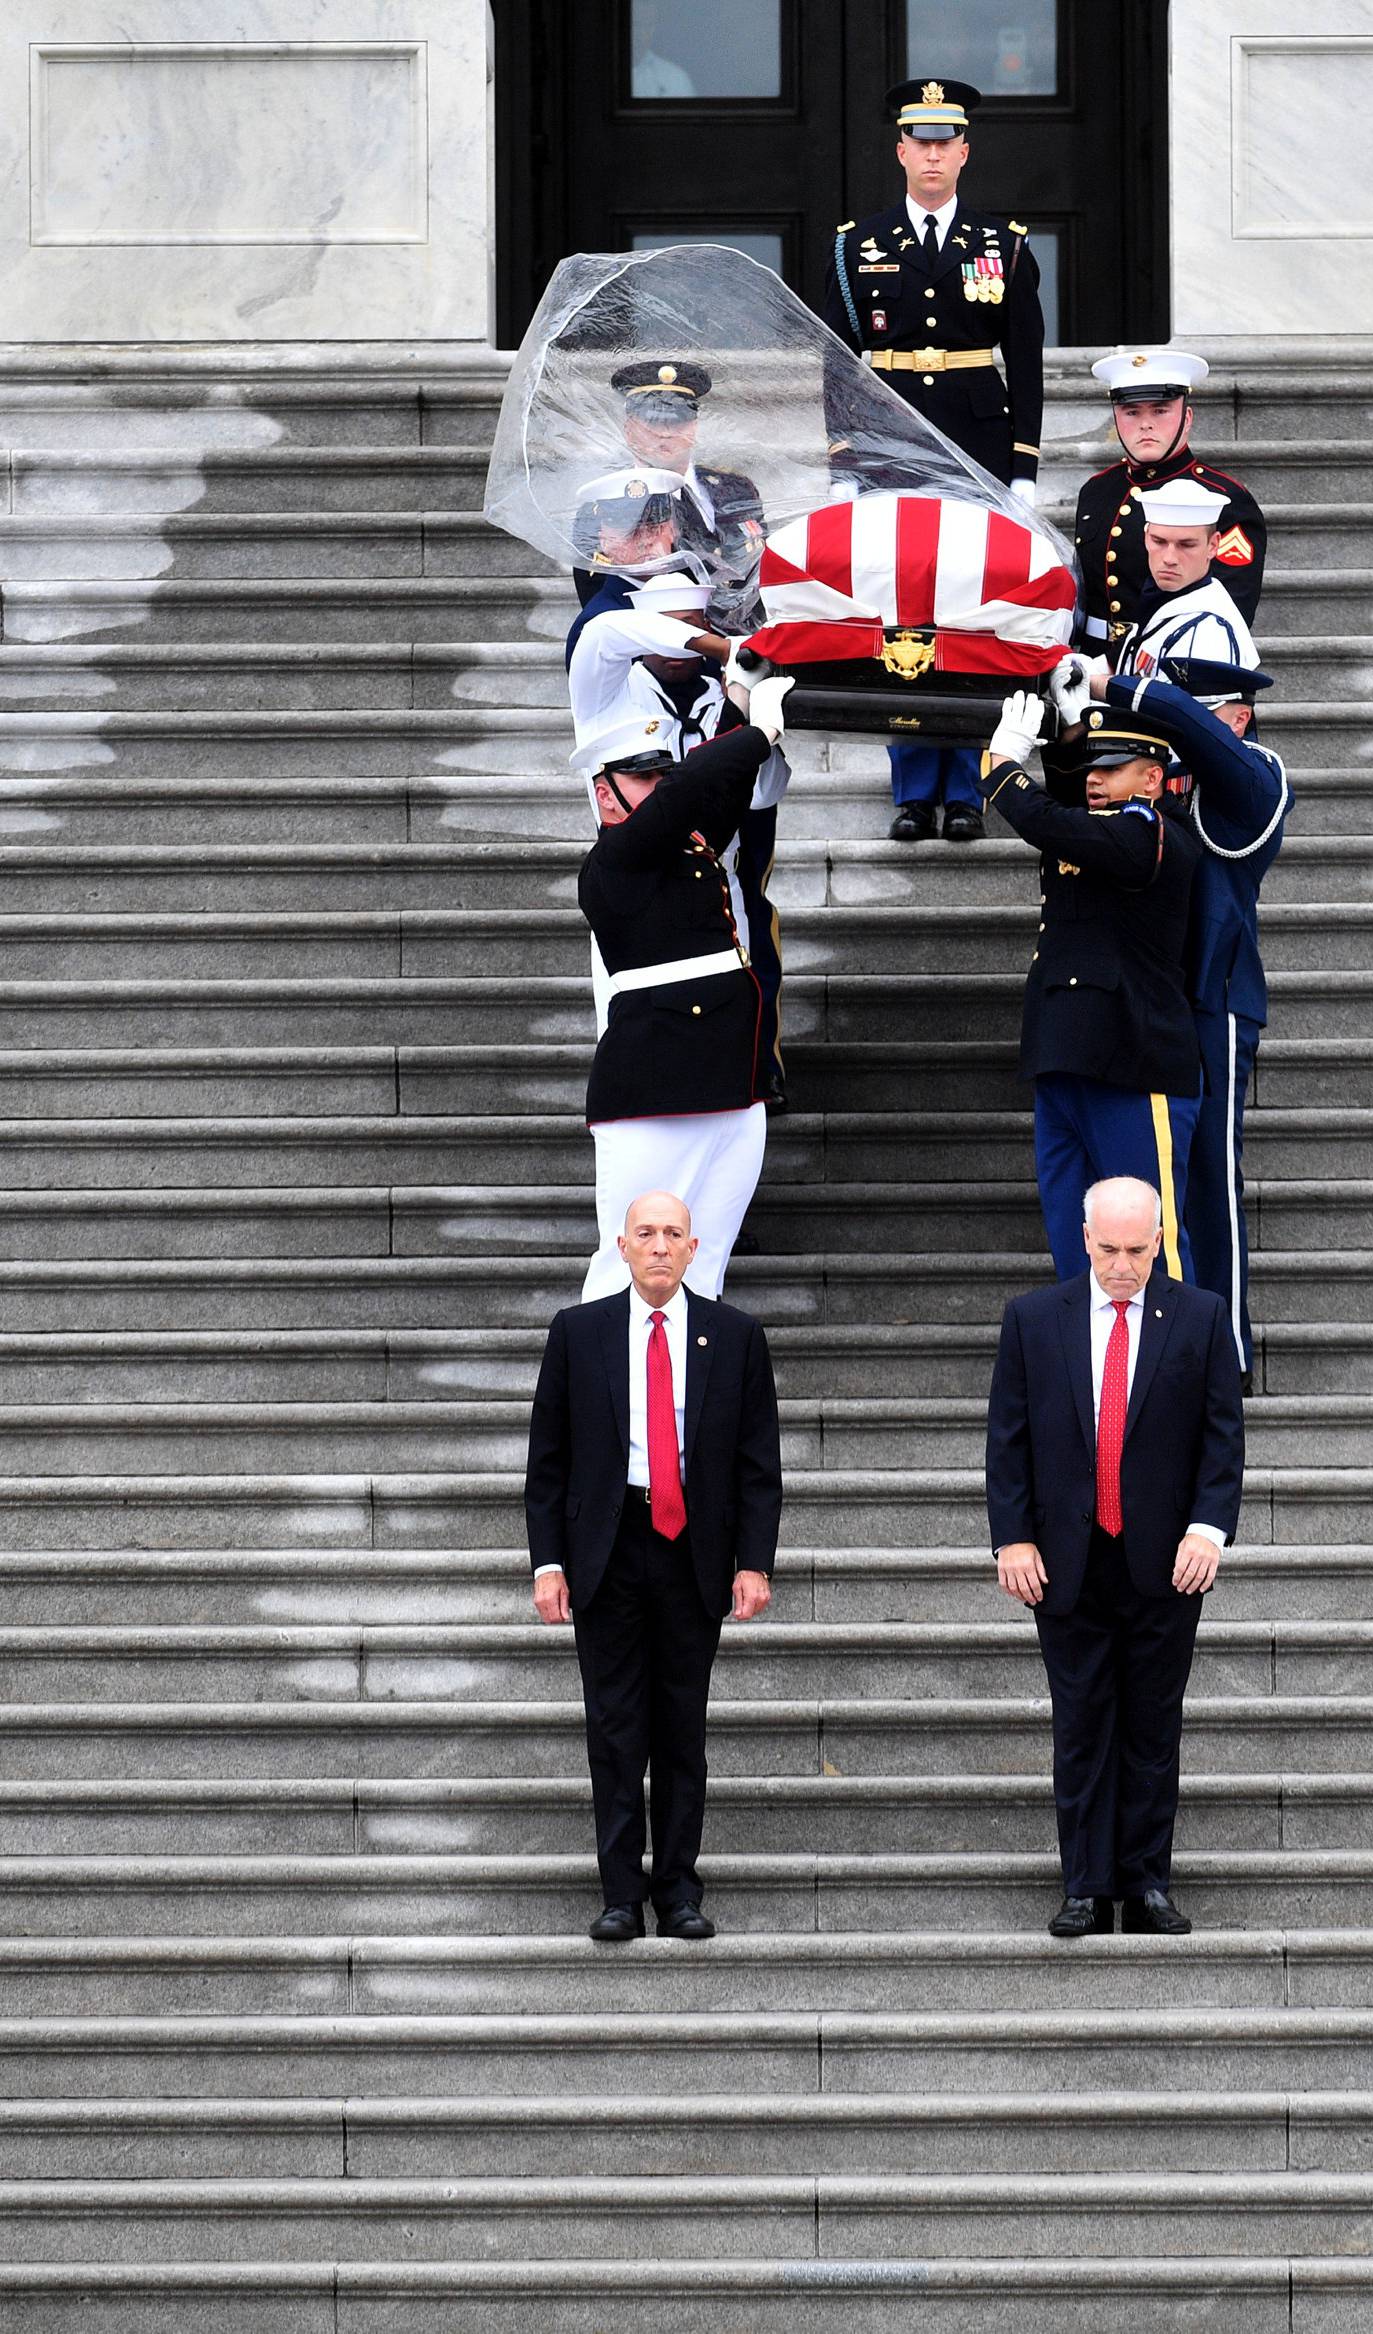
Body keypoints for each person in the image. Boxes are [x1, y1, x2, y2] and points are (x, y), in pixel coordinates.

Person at [986, 1175, 1244, 1937]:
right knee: (1082, 1721)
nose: (1123, 1265)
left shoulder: (1200, 1318)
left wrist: (1209, 1528)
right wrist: (1013, 1536)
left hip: (1165, 1561)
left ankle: (1147, 1883)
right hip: (1066, 1558)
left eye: (1137, 1249)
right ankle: (1085, 1886)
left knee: (1152, 1724)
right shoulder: (1035, 1320)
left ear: (1159, 1242)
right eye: (1109, 1249)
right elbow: (1009, 1440)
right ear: (1085, 1238)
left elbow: (1222, 1438)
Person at [526, 1188, 782, 1942]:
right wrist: (548, 1564)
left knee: (680, 1730)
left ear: (694, 1249)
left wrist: (754, 1563)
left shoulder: (734, 1337)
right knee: (613, 1727)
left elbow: (757, 1465)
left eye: (675, 1233)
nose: (662, 1245)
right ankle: (617, 1894)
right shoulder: (579, 1333)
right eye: (648, 1233)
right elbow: (549, 1463)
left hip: (693, 1550)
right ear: (623, 1245)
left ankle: (677, 1891)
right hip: (608, 1548)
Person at [822, 77, 1045, 844]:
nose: (932, 155)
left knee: (972, 609)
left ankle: (968, 788)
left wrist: (1022, 466)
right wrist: (845, 457)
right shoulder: (859, 245)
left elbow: (1025, 360)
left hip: (978, 443)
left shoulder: (1004, 245)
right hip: (891, 446)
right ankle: (914, 790)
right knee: (902, 614)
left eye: (946, 142)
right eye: (919, 142)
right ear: (900, 151)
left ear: (964, 153)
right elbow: (837, 363)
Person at [1059, 652, 1293, 1382]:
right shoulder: (1156, 792)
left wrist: (1121, 684)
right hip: (1151, 1009)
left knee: (1209, 1185)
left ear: (1238, 718)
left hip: (1211, 1006)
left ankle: (1222, 1356)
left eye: (1185, 715)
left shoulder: (1255, 779)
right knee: (1150, 1191)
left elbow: (1195, 730)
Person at [572, 669, 793, 1303]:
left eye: (662, 774)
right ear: (605, 795)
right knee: (630, 1271)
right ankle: (603, 1402)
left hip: (730, 1085)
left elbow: (712, 795)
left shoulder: (687, 848)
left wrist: (737, 700)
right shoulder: (613, 861)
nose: (660, 786)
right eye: (642, 776)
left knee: (707, 1267)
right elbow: (688, 794)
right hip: (654, 1096)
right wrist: (757, 733)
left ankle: (688, 1403)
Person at [980, 689, 1202, 1282]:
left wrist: (1004, 767)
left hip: (1133, 1060)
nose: (1095, 779)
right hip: (1064, 1057)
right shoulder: (1098, 829)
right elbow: (1066, 819)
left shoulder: (1153, 832)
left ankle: (1174, 1373)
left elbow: (1056, 825)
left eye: (1112, 769)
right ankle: (1095, 1373)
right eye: (1092, 769)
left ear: (1153, 779)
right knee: (1077, 1252)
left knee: (1151, 1247)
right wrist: (1070, 734)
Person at [567, 545, 790, 1108]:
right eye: (669, 627)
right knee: (634, 1024)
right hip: (635, 885)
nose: (681, 640)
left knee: (725, 1014)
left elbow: (758, 796)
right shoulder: (608, 690)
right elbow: (606, 632)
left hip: (711, 876)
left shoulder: (727, 695)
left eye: (696, 623)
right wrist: (721, 646)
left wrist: (749, 704)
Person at [1074, 349, 1265, 660]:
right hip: (1092, 663)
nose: (1145, 424)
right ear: (1116, 419)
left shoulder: (1223, 498)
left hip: (1170, 665)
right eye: (1132, 412)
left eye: (1160, 411)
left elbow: (1229, 611)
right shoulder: (1097, 491)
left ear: (1186, 418)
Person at [574, 361, 766, 630]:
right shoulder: (603, 501)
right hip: (648, 648)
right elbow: (598, 592)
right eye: (652, 420)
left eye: (677, 420)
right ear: (629, 428)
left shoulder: (735, 490)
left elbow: (756, 568)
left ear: (694, 426)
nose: (665, 432)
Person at [1114, 481, 1260, 681]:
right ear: (1146, 537)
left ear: (1213, 545)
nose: (1169, 558)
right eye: (1159, 541)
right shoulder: (1163, 600)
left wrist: (1098, 685)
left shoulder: (1210, 627)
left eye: (1187, 545)